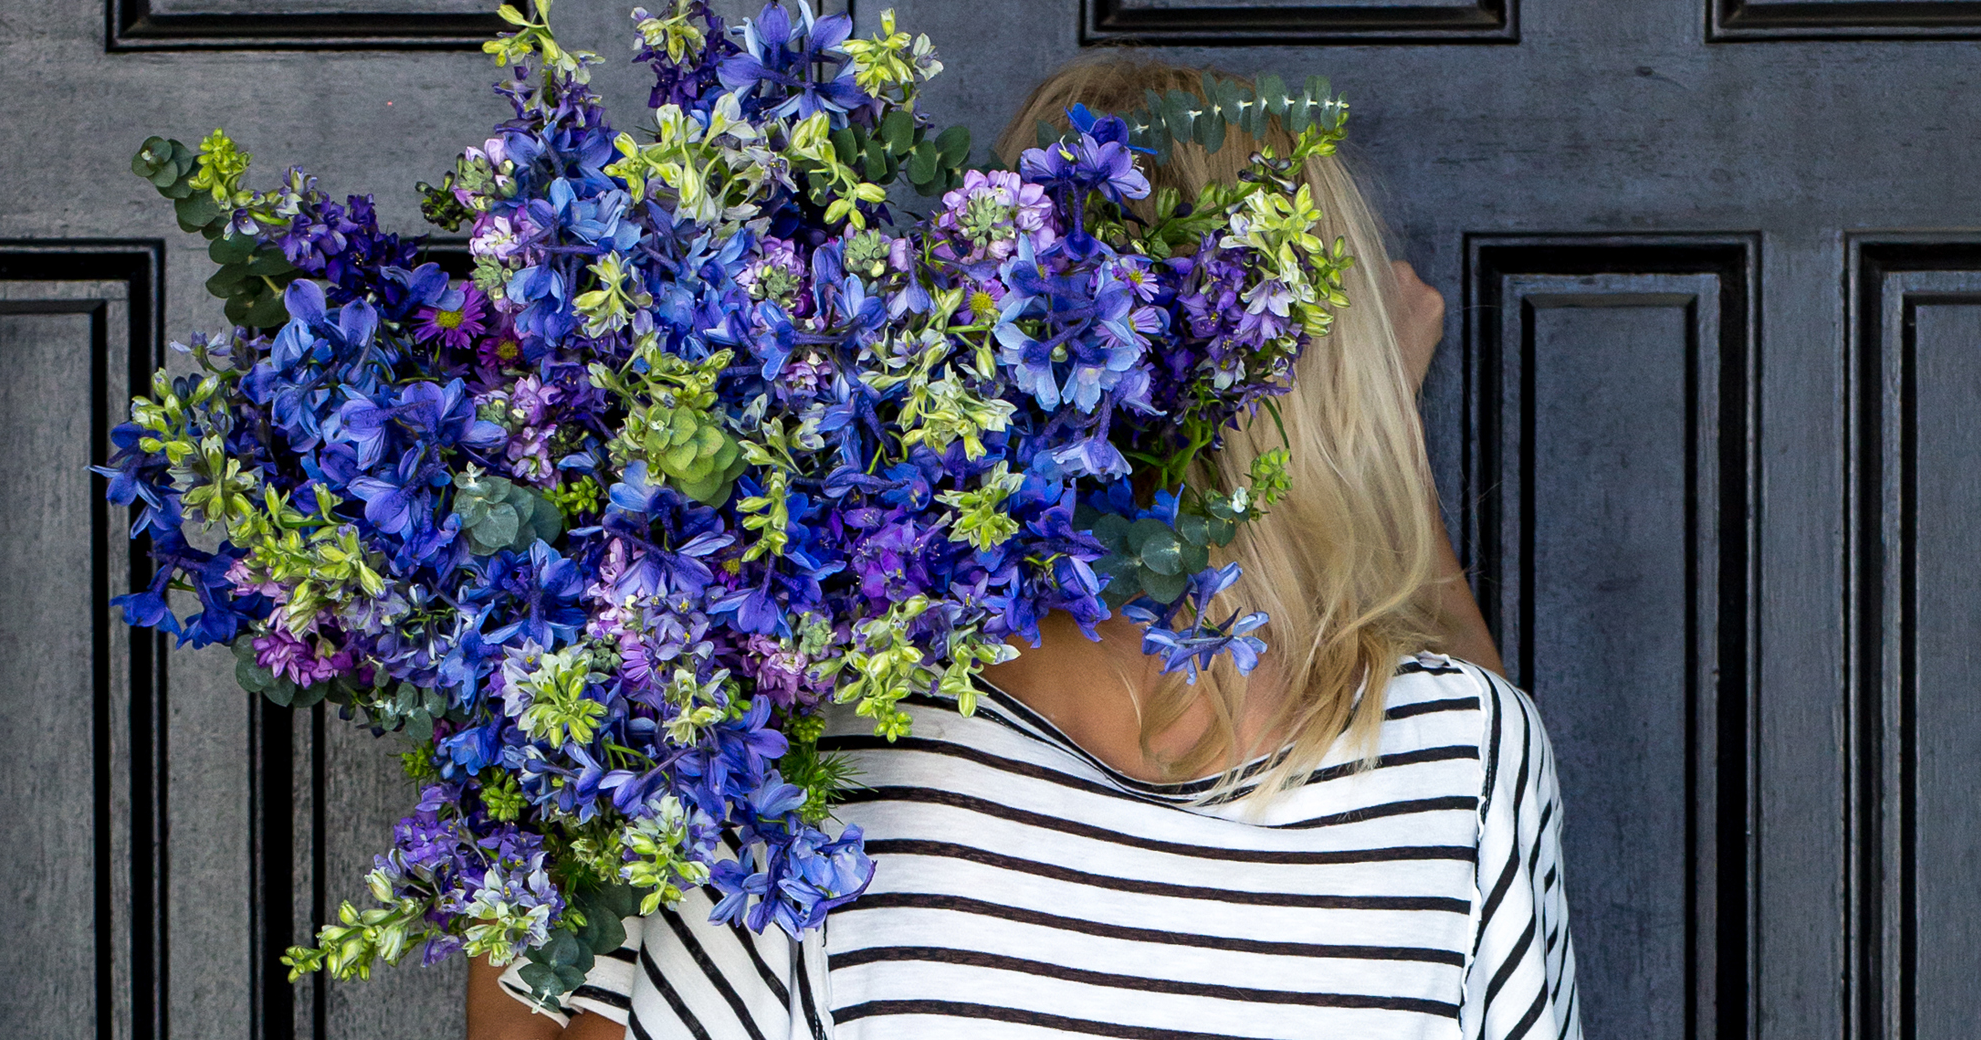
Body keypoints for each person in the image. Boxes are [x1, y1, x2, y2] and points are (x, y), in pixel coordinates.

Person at [466, 57, 1578, 1040]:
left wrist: (540, 655)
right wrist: (1382, 440)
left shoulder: (817, 763)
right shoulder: (1465, 756)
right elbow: (1440, 740)